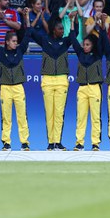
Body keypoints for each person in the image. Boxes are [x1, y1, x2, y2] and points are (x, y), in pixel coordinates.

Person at [30, 20, 73, 150]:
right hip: (47, 80)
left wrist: (71, 21)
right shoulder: (44, 41)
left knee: (59, 113)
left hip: (61, 80)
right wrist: (27, 18)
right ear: (54, 30)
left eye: (62, 29)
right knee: (50, 112)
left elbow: (72, 35)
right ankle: (50, 142)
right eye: (60, 29)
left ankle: (58, 141)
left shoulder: (65, 42)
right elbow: (31, 32)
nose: (62, 31)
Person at [69, 13, 108, 151]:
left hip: (95, 88)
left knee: (95, 117)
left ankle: (95, 143)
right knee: (81, 117)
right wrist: (72, 21)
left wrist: (101, 25)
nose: (84, 46)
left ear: (92, 46)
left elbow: (103, 40)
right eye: (84, 44)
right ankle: (79, 143)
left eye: (87, 44)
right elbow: (73, 39)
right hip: (82, 89)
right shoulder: (80, 54)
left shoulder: (97, 54)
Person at [0, 17, 32, 151]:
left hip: (18, 87)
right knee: (6, 116)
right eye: (14, 41)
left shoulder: (20, 51)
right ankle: (6, 142)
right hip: (5, 88)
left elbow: (27, 35)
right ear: (7, 42)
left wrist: (26, 19)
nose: (16, 43)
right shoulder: (1, 52)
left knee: (22, 116)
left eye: (16, 41)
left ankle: (25, 142)